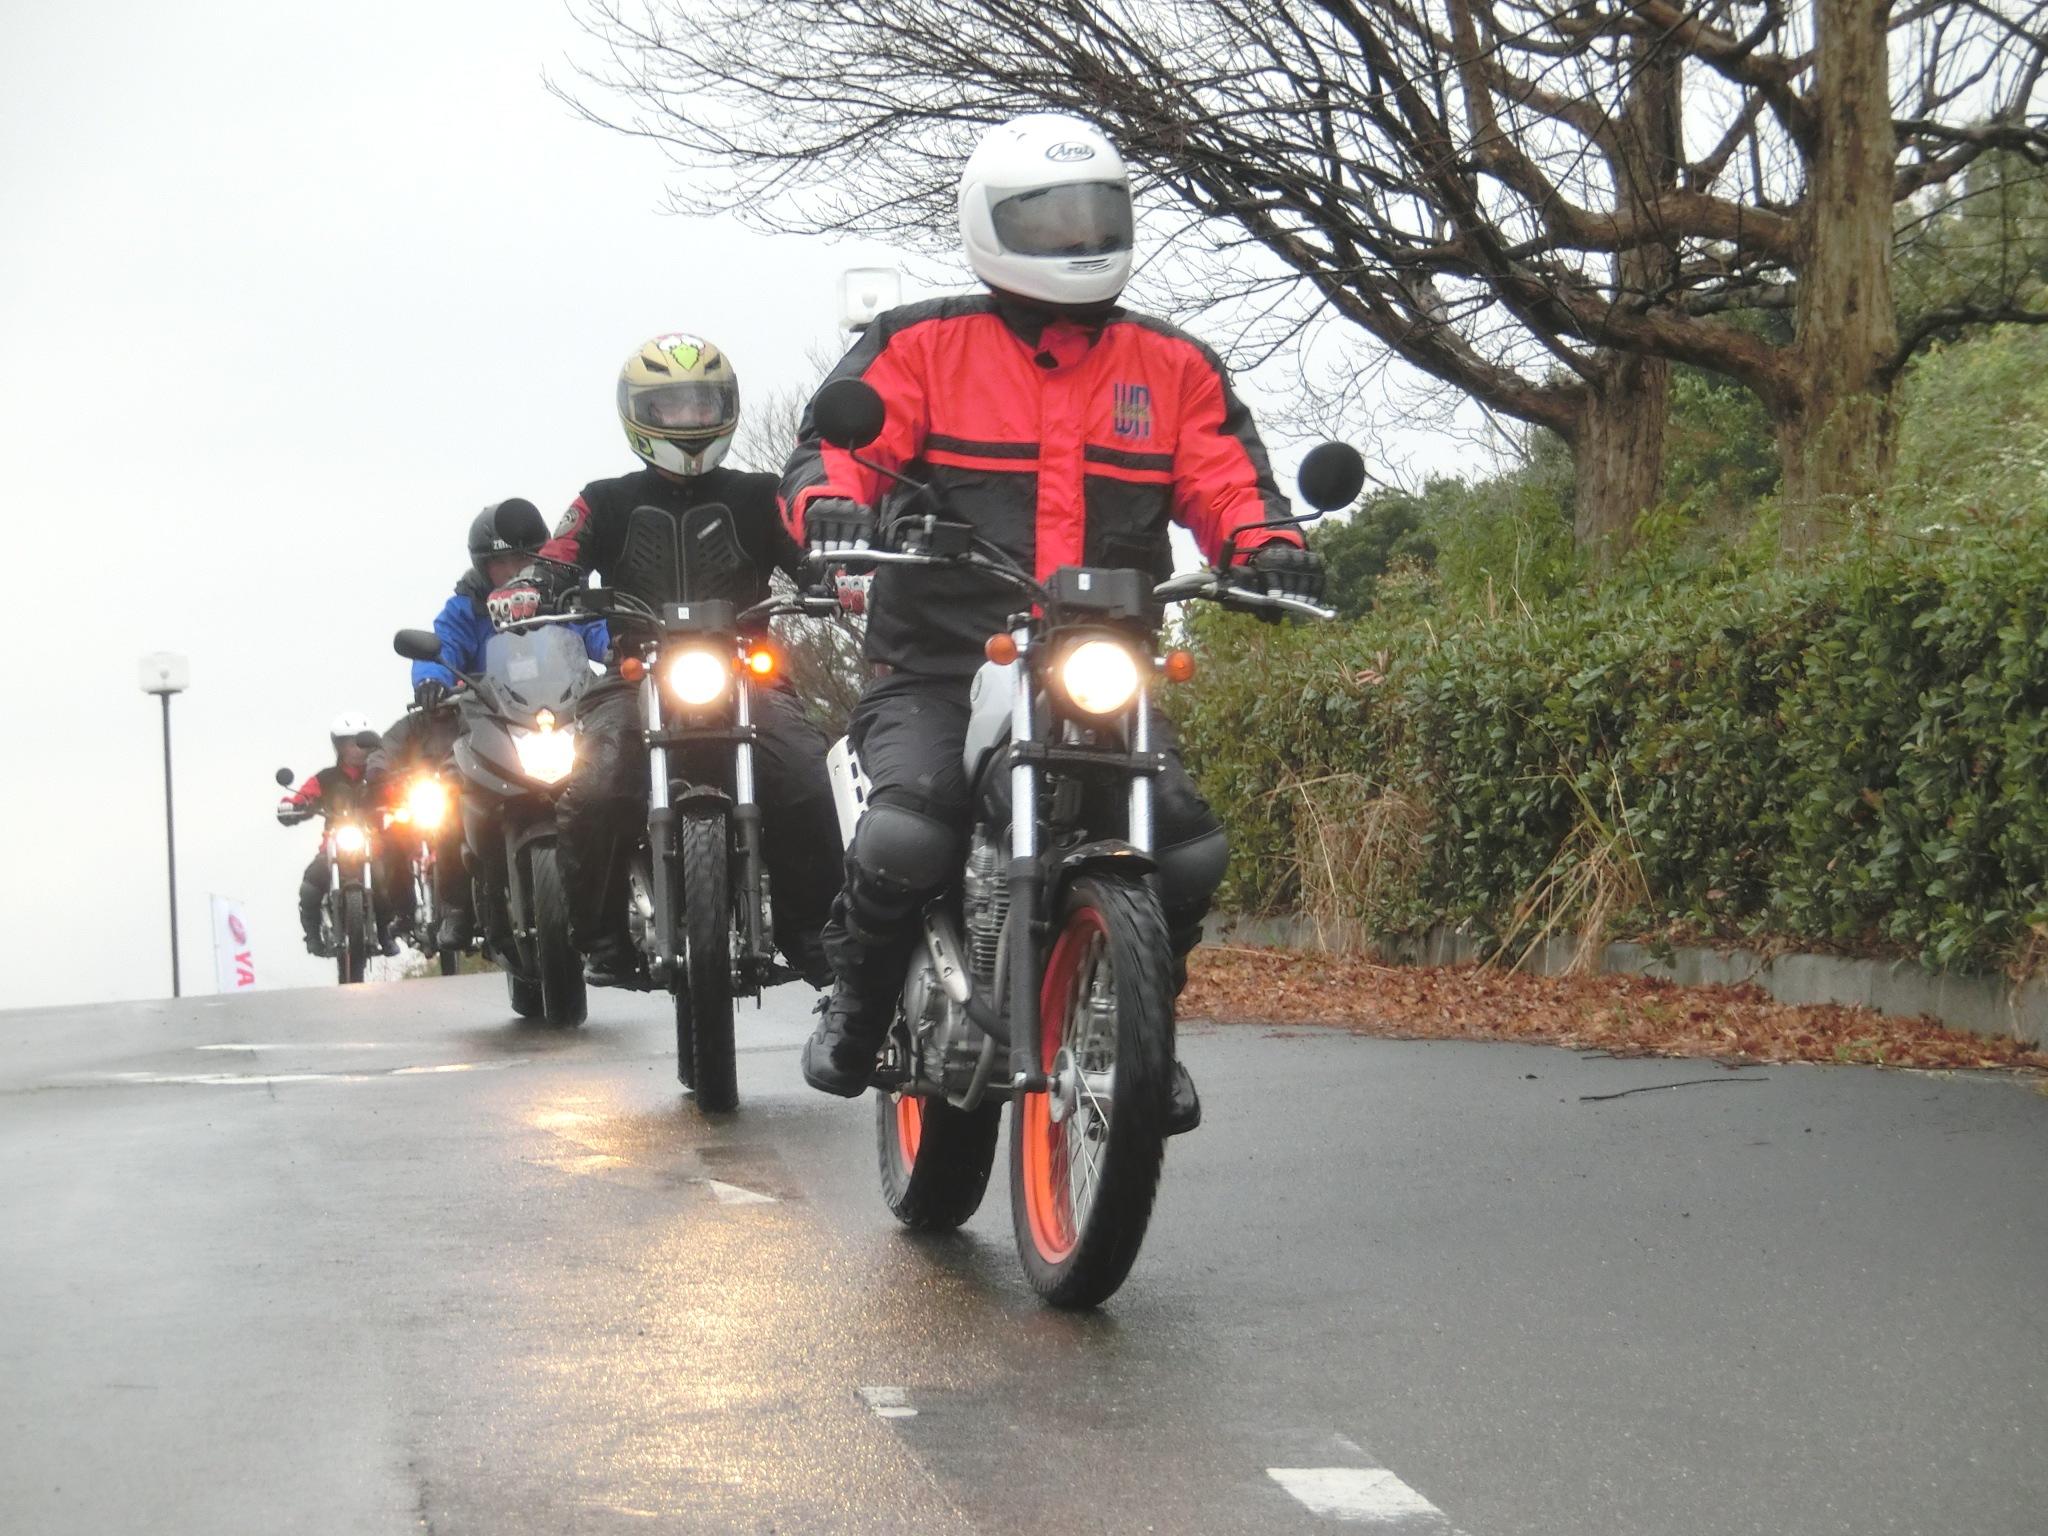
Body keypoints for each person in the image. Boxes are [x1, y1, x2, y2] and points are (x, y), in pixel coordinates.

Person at [781, 113, 1327, 1128]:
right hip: (941, 663)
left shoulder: (1172, 366)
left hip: (1096, 660)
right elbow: (833, 446)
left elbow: (1226, 481)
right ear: (988, 225)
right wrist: (830, 505)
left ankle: (1135, 1018)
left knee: (1187, 844)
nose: (1075, 239)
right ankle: (855, 1001)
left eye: (1092, 216)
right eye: (1048, 218)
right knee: (908, 830)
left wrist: (1268, 548)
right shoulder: (917, 344)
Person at [488, 334, 840, 989]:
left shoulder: (761, 495)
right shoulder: (606, 500)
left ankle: (810, 930)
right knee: (595, 785)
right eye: (669, 407)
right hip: (635, 675)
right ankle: (602, 939)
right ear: (637, 412)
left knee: (804, 773)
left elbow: (808, 548)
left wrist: (833, 574)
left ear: (725, 408)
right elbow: (562, 550)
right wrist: (530, 585)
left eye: (699, 404)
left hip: (743, 674)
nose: (686, 420)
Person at [390, 499, 608, 950]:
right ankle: (456, 906)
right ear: (483, 566)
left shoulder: (563, 593)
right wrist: (431, 680)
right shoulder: (467, 607)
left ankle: (625, 890)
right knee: (450, 793)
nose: (513, 572)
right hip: (490, 720)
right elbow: (443, 646)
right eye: (502, 563)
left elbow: (597, 630)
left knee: (616, 773)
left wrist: (620, 651)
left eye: (523, 560)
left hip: (560, 715)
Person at [276, 713, 404, 956]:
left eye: (360, 742)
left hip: (373, 844)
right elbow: (304, 796)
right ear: (340, 747)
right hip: (333, 846)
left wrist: (405, 802)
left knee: (386, 882)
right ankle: (313, 936)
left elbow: (398, 794)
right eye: (349, 743)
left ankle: (386, 933)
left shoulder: (378, 776)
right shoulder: (325, 778)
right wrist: (291, 805)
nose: (355, 749)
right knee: (310, 885)